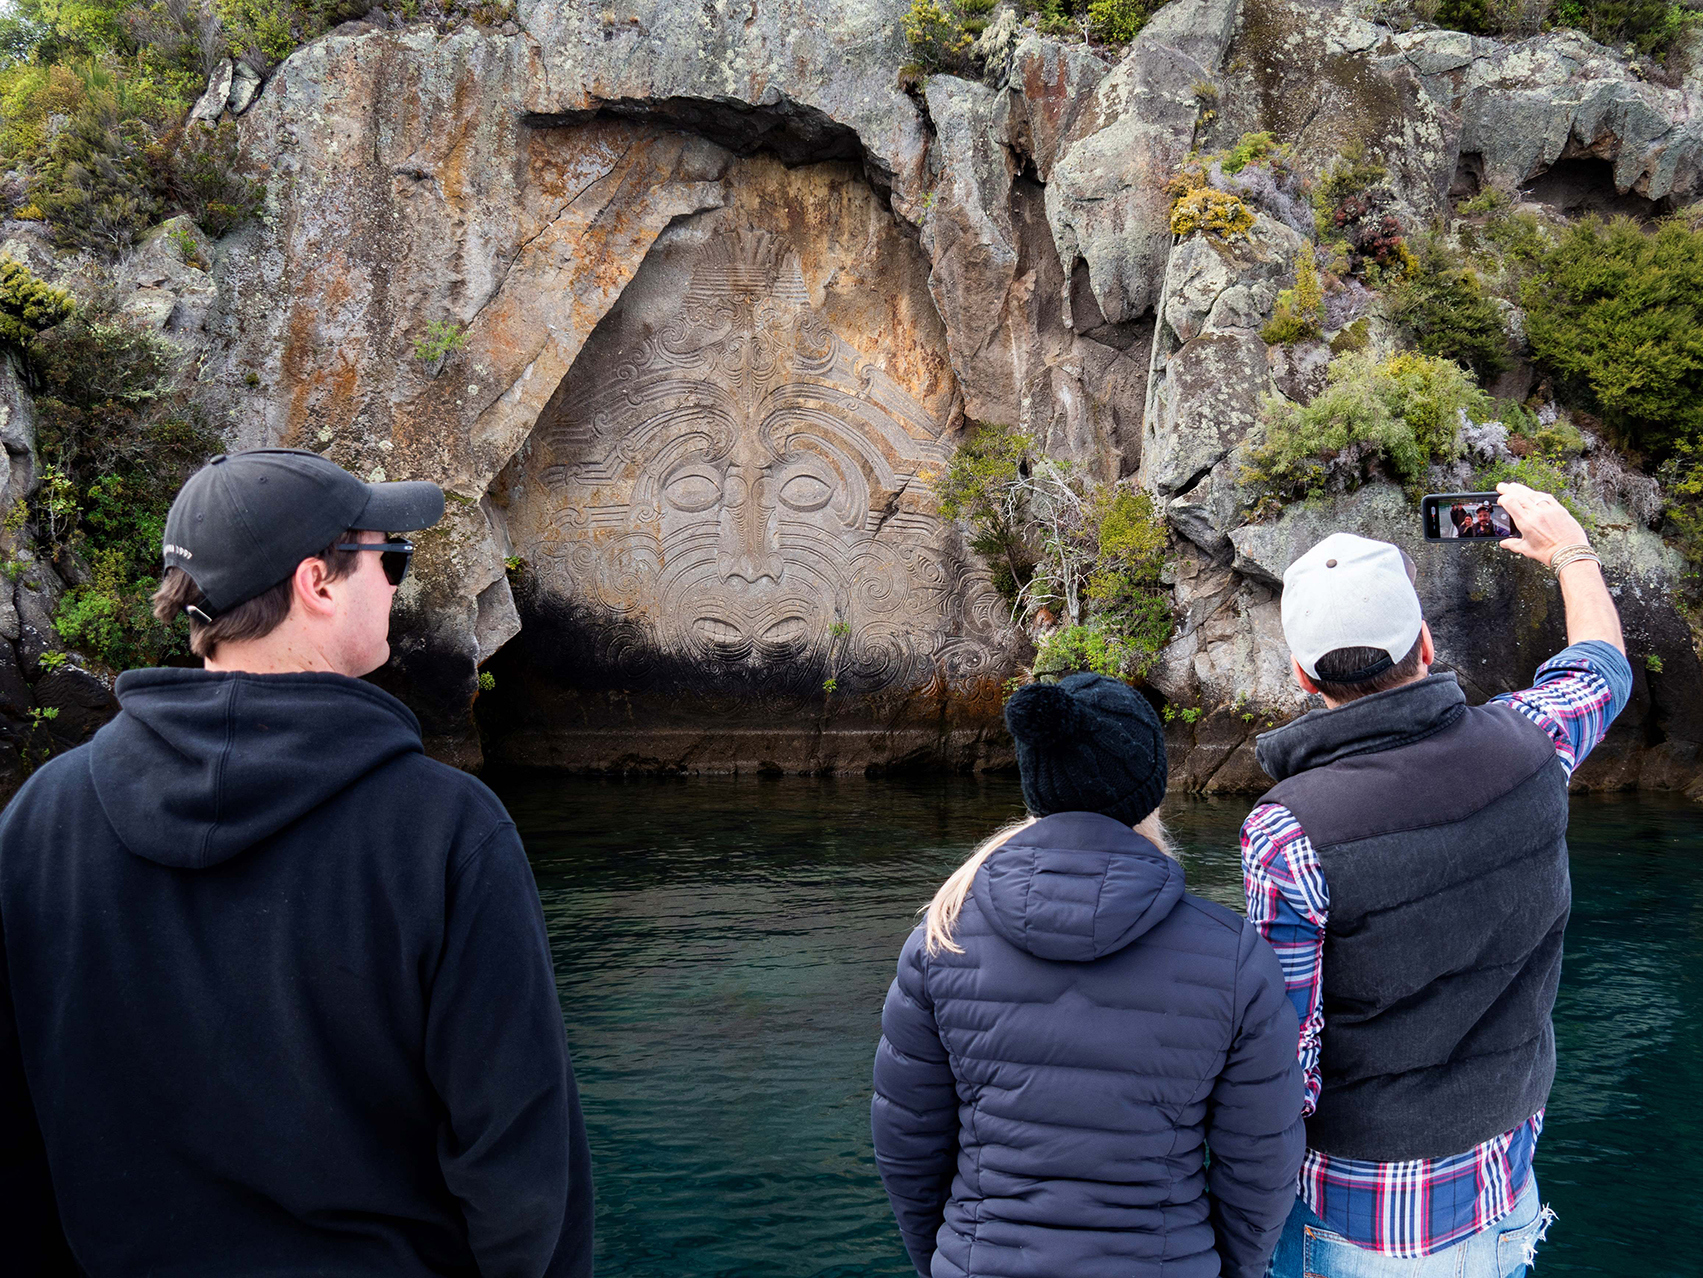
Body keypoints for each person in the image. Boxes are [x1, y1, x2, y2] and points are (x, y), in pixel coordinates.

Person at [0, 449, 594, 1275]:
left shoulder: (40, 818)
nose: (397, 583)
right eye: (392, 558)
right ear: (317, 582)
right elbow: (523, 1171)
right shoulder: (445, 830)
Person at [1244, 482, 1632, 1277]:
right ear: (1423, 644)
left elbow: (1287, 1059)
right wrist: (1569, 552)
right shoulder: (1532, 743)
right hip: (1504, 1176)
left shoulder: (1286, 833)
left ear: (1302, 677)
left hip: (1356, 1214)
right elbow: (1601, 669)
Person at [872, 673, 1305, 1278]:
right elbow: (1260, 1167)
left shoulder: (940, 939)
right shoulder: (1234, 957)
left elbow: (907, 1149)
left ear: (1035, 784)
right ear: (1148, 785)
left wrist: (945, 1262)